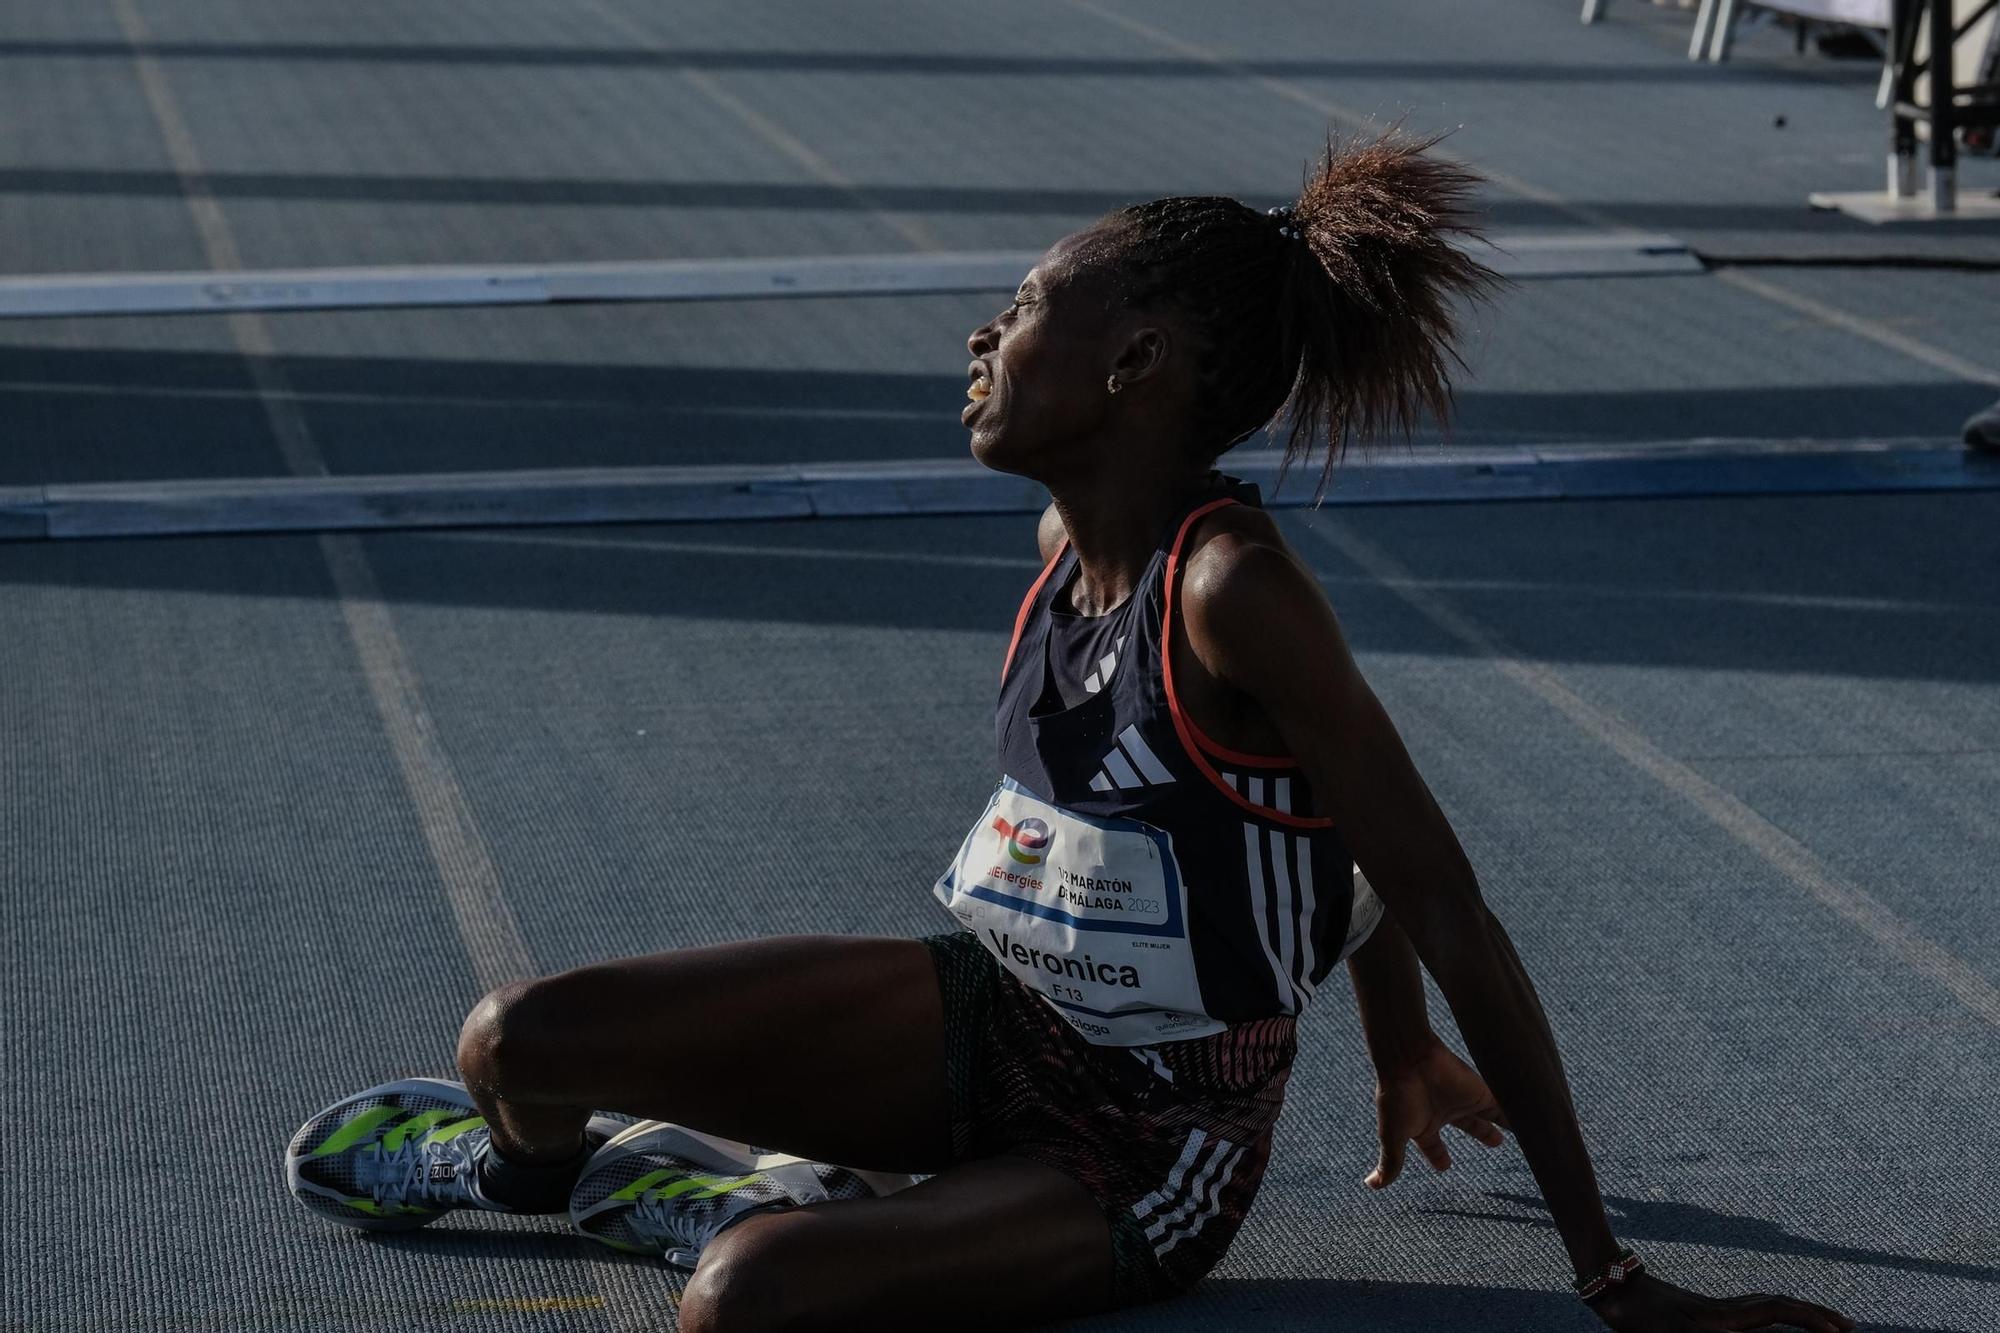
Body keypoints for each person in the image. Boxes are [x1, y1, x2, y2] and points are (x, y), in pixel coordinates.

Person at [285, 129, 1857, 1333]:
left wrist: (1617, 1275)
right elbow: (1296, 827)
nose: (984, 332)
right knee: (513, 1038)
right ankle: (553, 1172)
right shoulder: (1063, 545)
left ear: (1133, 365)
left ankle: (788, 1214)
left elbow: (1430, 888)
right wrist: (1392, 1042)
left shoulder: (1233, 588)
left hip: (1147, 1142)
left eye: (1027, 305)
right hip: (993, 1018)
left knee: (744, 1300)